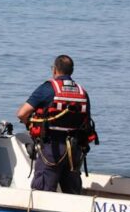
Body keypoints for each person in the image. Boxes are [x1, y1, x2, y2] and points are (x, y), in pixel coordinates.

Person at [16, 55, 97, 194]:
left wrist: (29, 125)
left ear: (55, 70)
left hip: (51, 149)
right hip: (74, 150)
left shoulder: (48, 88)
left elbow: (22, 113)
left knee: (43, 191)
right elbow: (86, 122)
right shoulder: (82, 92)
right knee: (72, 192)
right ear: (71, 71)